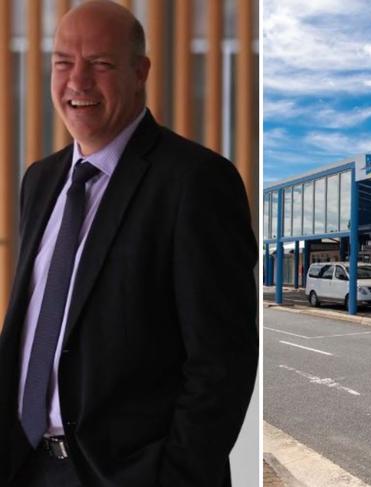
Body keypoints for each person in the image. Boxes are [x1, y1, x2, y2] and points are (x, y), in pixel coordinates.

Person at [0, 2, 258, 486]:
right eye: (63, 63)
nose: (77, 82)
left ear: (140, 72)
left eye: (100, 63)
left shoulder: (196, 182)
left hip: (128, 475)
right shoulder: (40, 179)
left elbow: (223, 361)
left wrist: (172, 476)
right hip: (27, 465)